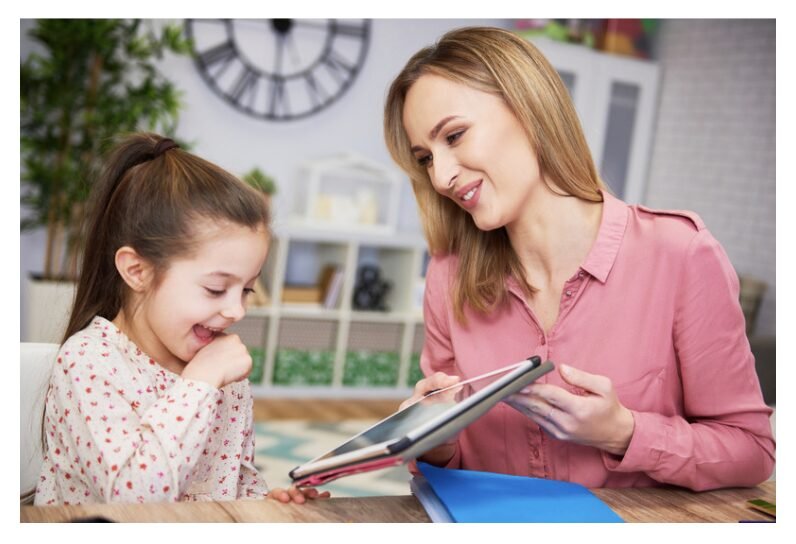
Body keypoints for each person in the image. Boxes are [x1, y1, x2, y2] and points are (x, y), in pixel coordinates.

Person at [384, 27, 774, 491]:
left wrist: (624, 432)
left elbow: (752, 451)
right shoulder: (448, 278)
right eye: (426, 158)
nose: (443, 176)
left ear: (529, 109)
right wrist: (433, 442)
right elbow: (453, 464)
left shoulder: (680, 255)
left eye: (455, 135)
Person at [33, 133, 329, 505]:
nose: (237, 310)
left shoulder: (225, 377)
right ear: (137, 270)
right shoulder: (89, 363)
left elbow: (235, 486)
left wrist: (268, 504)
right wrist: (200, 382)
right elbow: (133, 502)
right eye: (216, 289)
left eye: (247, 290)